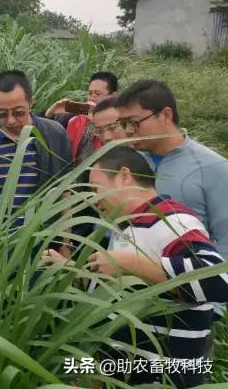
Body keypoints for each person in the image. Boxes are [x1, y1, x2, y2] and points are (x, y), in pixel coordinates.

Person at [44, 146, 228, 388]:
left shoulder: (171, 220)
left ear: (124, 175)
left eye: (95, 188)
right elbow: (123, 292)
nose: (93, 199)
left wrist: (132, 264)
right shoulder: (132, 226)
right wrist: (69, 268)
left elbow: (218, 281)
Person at [114, 79, 228, 258]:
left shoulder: (213, 168)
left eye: (134, 122)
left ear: (166, 115)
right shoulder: (128, 163)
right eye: (123, 123)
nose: (128, 131)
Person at [0, 70, 72, 229]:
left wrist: (65, 243)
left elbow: (65, 190)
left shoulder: (55, 134)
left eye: (19, 112)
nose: (10, 120)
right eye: (1, 113)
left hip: (42, 239)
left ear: (31, 102)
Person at [45, 71, 118, 128]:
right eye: (90, 93)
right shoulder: (76, 116)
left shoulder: (121, 119)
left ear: (113, 96)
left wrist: (95, 120)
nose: (92, 98)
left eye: (97, 94)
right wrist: (50, 114)